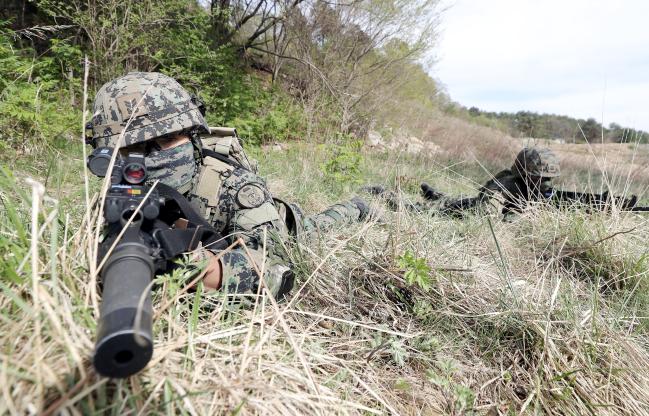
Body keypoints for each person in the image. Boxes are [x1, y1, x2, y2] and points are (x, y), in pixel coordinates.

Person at [89, 71, 368, 300]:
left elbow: (275, 270)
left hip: (278, 226)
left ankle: (358, 206)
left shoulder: (236, 188)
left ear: (192, 135)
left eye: (167, 140)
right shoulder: (119, 193)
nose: (150, 157)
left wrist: (195, 267)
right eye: (132, 149)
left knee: (321, 223)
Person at [364, 147, 637, 218]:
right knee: (425, 209)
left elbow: (560, 201)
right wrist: (519, 217)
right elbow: (486, 217)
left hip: (471, 202)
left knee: (447, 197)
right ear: (524, 172)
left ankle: (432, 192)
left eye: (548, 178)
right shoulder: (506, 185)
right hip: (468, 210)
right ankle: (383, 192)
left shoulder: (534, 189)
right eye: (538, 177)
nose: (544, 183)